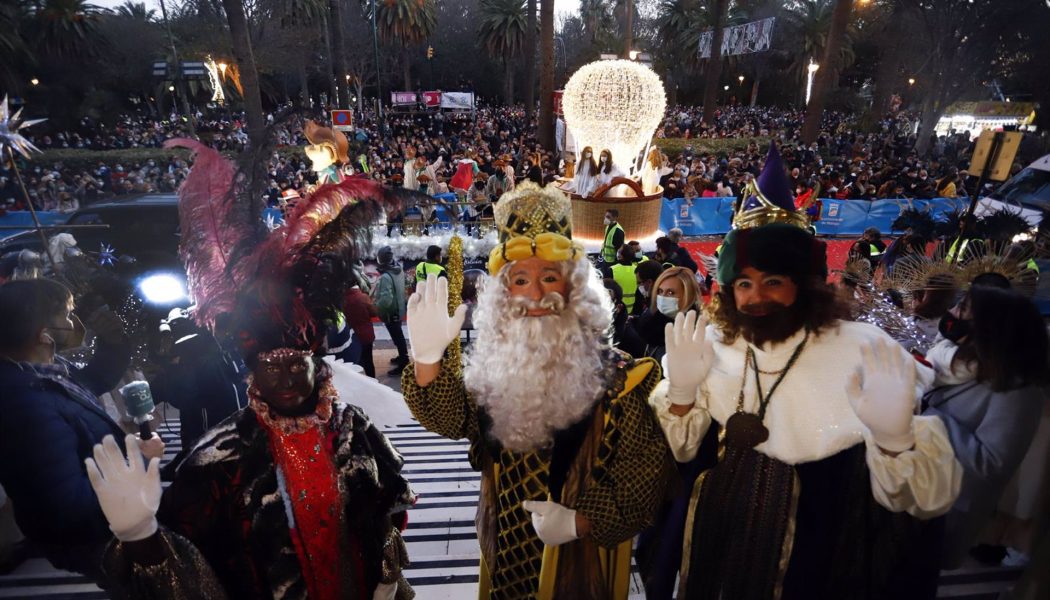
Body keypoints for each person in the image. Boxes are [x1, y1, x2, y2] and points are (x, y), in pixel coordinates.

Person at [84, 140, 416, 600]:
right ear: (251, 373)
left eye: (294, 366)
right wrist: (142, 537)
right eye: (269, 367)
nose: (282, 379)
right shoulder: (218, 459)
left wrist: (386, 575)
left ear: (315, 365)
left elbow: (387, 509)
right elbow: (195, 570)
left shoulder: (352, 430)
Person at [650, 143, 961, 599]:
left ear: (807, 285)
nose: (756, 297)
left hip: (813, 554)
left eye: (773, 282)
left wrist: (897, 444)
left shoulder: (862, 352)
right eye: (744, 284)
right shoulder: (712, 345)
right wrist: (679, 394)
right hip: (711, 542)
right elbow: (676, 459)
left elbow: (917, 507)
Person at [401, 183, 674, 599]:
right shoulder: (494, 367)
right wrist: (427, 360)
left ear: (573, 288)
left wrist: (581, 522)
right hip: (504, 547)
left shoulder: (623, 379)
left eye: (550, 277)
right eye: (520, 280)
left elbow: (646, 475)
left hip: (578, 566)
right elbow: (451, 419)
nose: (535, 295)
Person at [0, 278, 164, 583]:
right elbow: (68, 508)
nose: (75, 323)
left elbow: (94, 380)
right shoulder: (24, 402)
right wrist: (140, 462)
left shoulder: (45, 372)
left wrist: (114, 342)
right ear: (43, 334)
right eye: (66, 314)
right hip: (102, 543)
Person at [921, 285, 1049, 568]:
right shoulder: (957, 362)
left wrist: (924, 416)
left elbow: (992, 463)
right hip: (919, 487)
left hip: (946, 506)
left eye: (962, 310)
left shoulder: (1018, 390)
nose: (951, 313)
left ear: (991, 327)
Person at [620, 266, 700, 362]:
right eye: (660, 291)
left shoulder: (697, 334)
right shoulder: (653, 324)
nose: (662, 297)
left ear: (688, 294)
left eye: (670, 292)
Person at [375, 246, 410, 376]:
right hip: (399, 309)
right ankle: (402, 357)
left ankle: (404, 362)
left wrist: (376, 307)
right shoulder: (398, 270)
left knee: (397, 337)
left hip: (391, 313)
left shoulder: (385, 276)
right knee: (398, 336)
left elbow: (386, 300)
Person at [604, 244, 641, 314]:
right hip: (632, 310)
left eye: (618, 251)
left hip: (616, 310)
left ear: (620, 256)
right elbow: (639, 294)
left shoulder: (612, 270)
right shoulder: (637, 270)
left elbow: (606, 293)